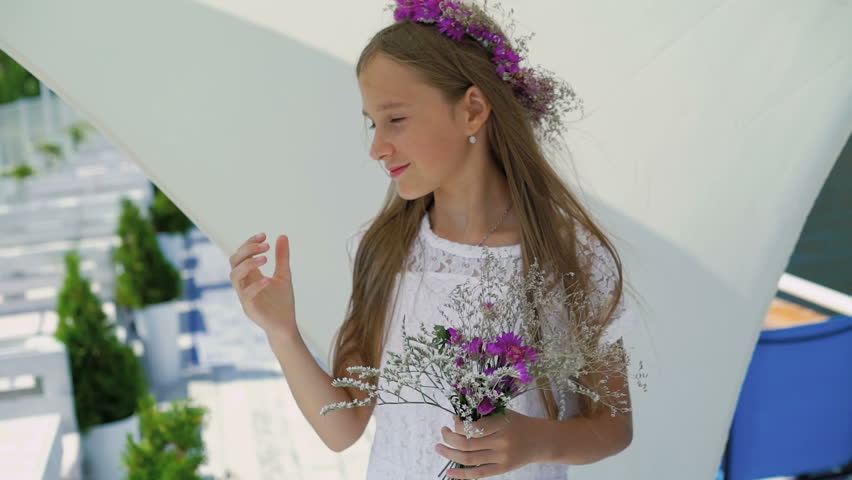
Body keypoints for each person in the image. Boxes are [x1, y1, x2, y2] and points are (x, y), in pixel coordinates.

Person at [228, 1, 642, 478]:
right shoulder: (382, 251)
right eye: (372, 122)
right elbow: (341, 427)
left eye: (395, 119)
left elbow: (613, 426)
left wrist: (535, 441)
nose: (377, 146)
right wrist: (283, 334)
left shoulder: (573, 258)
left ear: (472, 110)